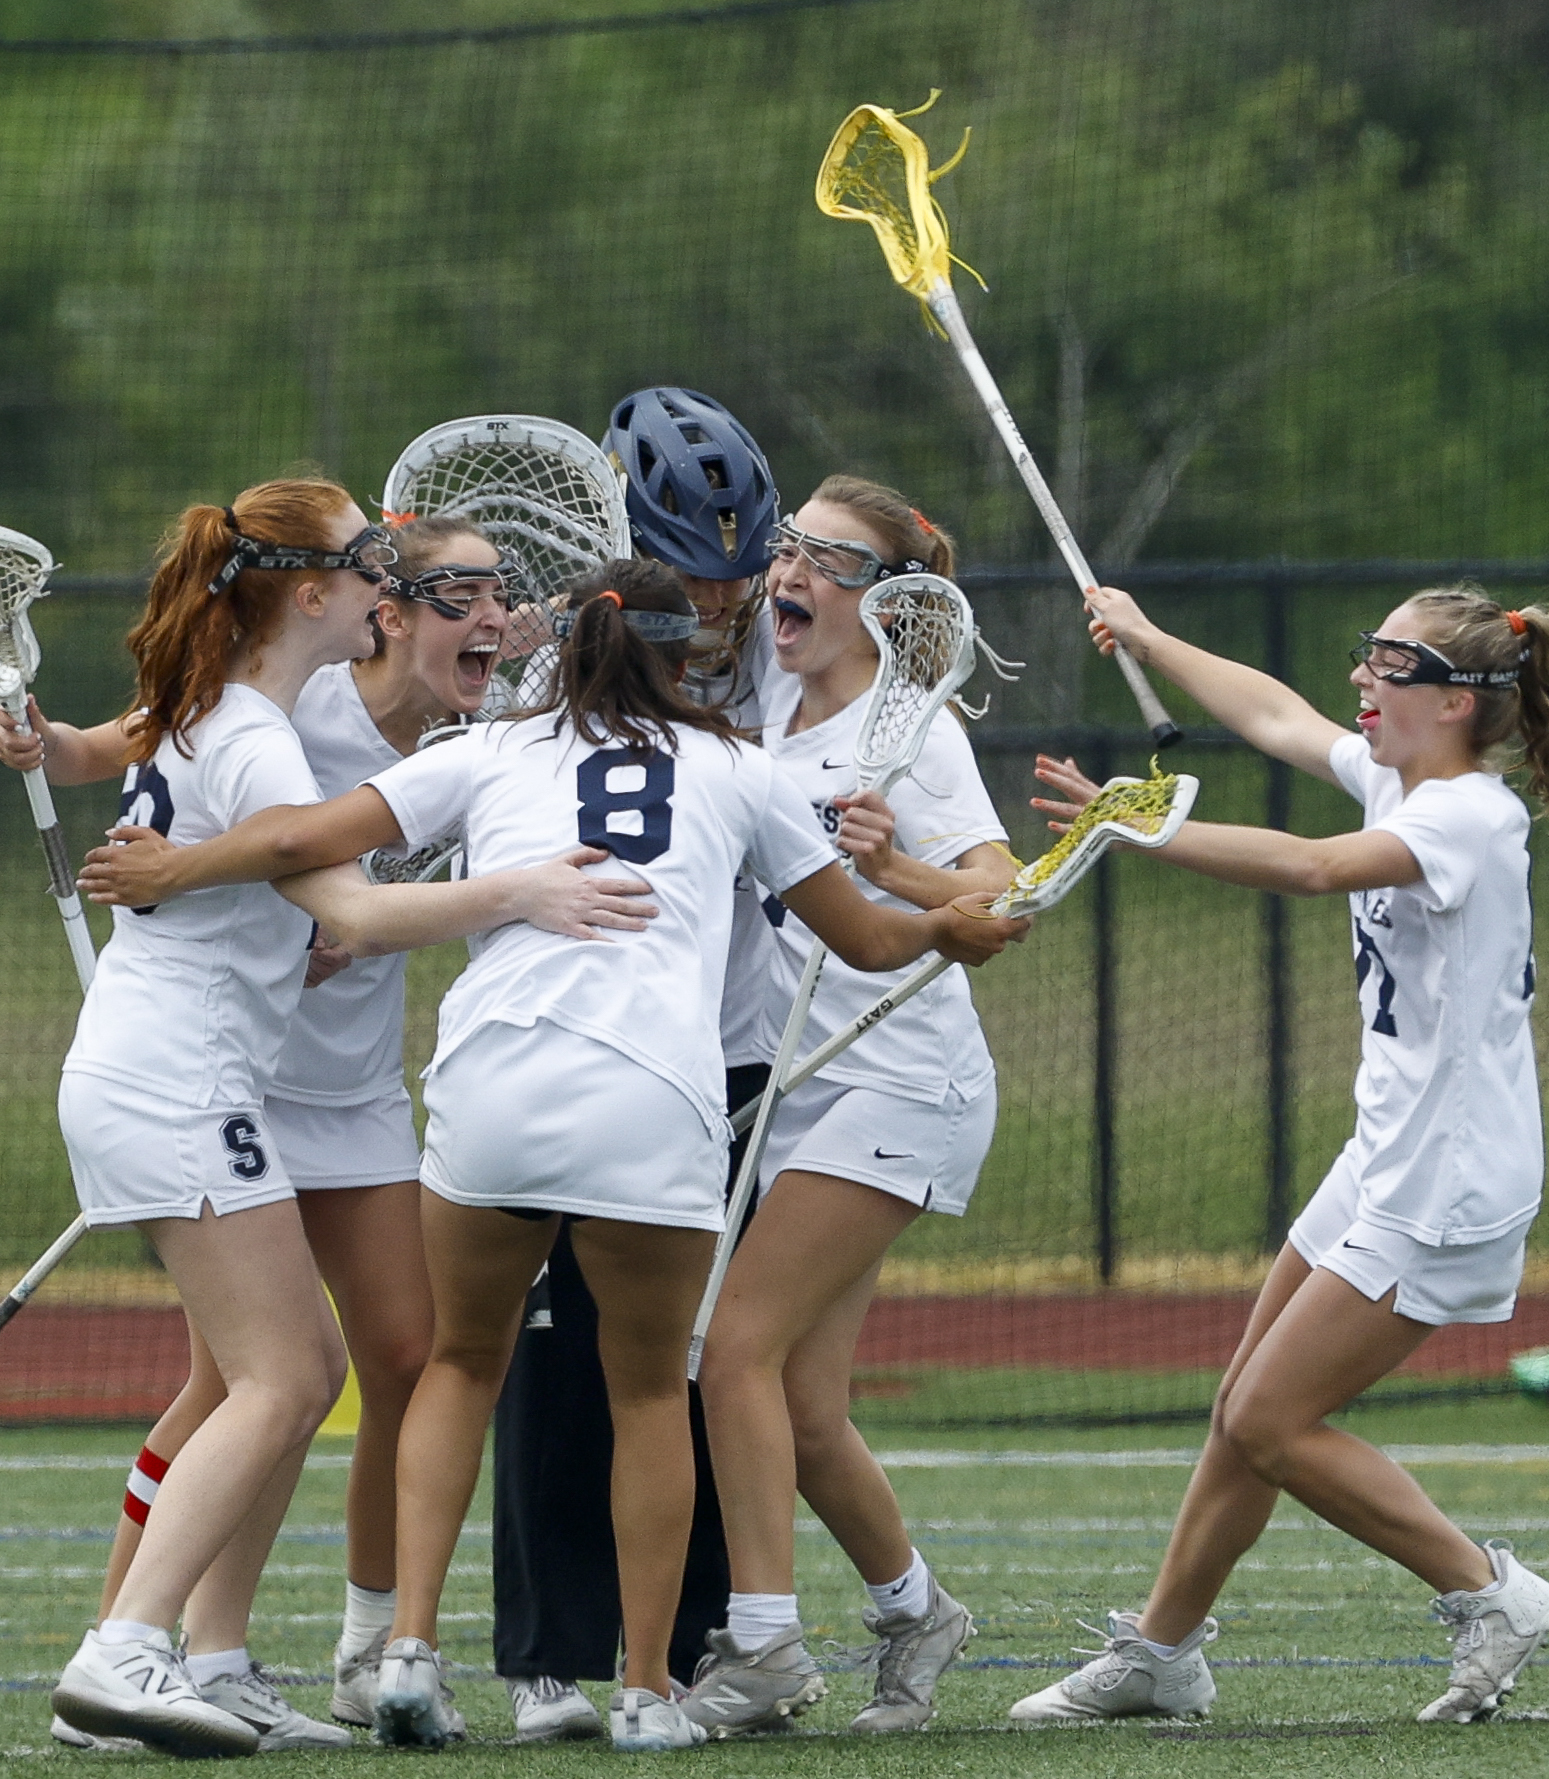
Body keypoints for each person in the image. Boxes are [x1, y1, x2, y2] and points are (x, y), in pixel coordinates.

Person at [72, 558, 1029, 1753]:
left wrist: (175, 865)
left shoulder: (490, 752)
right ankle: (642, 1690)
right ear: (687, 658)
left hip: (495, 1093)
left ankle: (407, 1654)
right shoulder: (741, 767)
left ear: (562, 649)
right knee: (644, 1392)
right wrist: (946, 923)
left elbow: (299, 840)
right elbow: (872, 940)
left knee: (460, 1367)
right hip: (653, 1102)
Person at [1007, 546, 1549, 1728]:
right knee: (1240, 1408)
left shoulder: (1470, 813)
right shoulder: (1397, 776)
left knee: (1271, 1420)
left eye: (1390, 661)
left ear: (1456, 700)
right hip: (1387, 1151)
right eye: (1366, 651)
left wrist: (1138, 828)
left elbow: (1314, 869)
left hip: (1449, 1175)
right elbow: (1273, 712)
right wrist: (1148, 636)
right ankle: (1161, 1655)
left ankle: (1487, 1591)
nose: (1363, 677)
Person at [44, 482, 651, 1759]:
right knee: (285, 1374)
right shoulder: (266, 730)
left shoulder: (228, 699)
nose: (392, 589)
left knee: (285, 1372)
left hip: (179, 1072)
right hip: (186, 1077)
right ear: (317, 596)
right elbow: (357, 914)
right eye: (376, 569)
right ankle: (127, 1648)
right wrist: (523, 891)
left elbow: (295, 878)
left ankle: (204, 1656)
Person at [683, 477, 1016, 1738]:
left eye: (833, 557)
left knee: (731, 1350)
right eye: (791, 548)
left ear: (885, 602)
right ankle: (915, 1609)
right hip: (804, 1090)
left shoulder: (911, 732)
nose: (795, 571)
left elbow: (999, 899)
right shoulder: (768, 709)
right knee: (805, 1411)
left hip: (903, 1078)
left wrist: (893, 866)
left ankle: (765, 1645)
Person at [486, 387, 784, 1742]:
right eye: (701, 576)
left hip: (727, 1058)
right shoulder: (564, 663)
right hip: (579, 1042)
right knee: (552, 1358)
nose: (725, 605)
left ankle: (697, 1634)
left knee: (691, 1359)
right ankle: (548, 1648)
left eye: (745, 573)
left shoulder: (781, 655)